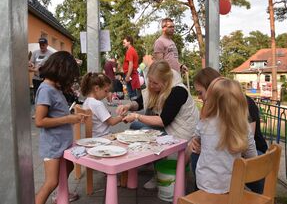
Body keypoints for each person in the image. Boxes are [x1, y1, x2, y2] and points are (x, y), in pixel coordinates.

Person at [116, 60, 198, 189]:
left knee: (145, 132)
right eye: (150, 82)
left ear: (165, 81)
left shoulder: (178, 91)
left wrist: (137, 116)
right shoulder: (158, 86)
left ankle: (158, 173)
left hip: (181, 132)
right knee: (134, 127)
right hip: (168, 127)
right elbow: (141, 102)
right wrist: (128, 105)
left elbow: (163, 120)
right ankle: (149, 160)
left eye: (155, 83)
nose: (152, 86)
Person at [190, 67, 267, 193]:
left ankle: (198, 194)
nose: (199, 97)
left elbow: (198, 135)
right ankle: (259, 196)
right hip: (232, 187)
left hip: (204, 185)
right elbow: (251, 155)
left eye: (200, 93)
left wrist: (202, 144)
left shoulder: (205, 122)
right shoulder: (243, 126)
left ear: (212, 96)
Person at [34, 51, 84, 204]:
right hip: (53, 145)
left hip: (62, 143)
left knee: (68, 166)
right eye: (68, 77)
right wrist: (67, 119)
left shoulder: (54, 88)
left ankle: (62, 194)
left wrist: (71, 117)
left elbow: (56, 113)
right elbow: (40, 121)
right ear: (61, 72)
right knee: (51, 182)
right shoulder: (45, 89)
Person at [80, 72, 124, 137]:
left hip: (94, 137)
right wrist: (122, 117)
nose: (106, 94)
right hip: (103, 138)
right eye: (106, 91)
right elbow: (112, 122)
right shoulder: (97, 104)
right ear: (96, 88)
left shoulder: (86, 102)